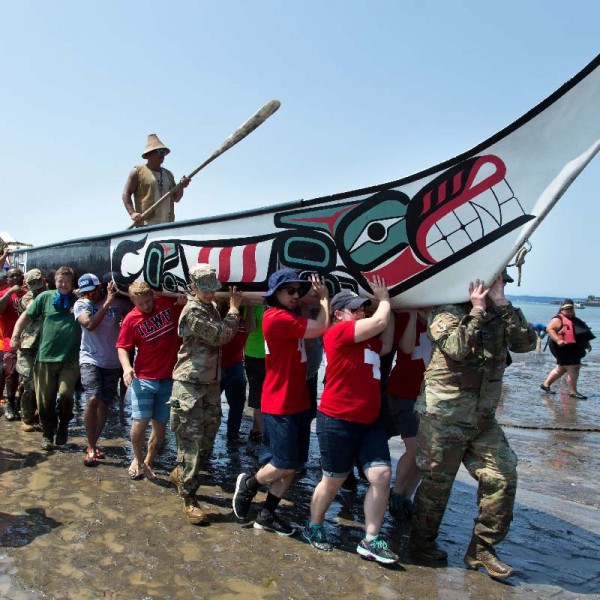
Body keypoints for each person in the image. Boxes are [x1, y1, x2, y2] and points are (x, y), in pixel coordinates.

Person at [410, 271, 536, 580]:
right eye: (495, 281)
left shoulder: (501, 313)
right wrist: (478, 310)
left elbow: (527, 343)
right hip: (444, 416)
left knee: (503, 476)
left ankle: (482, 549)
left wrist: (502, 303)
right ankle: (422, 543)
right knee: (437, 485)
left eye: (503, 283)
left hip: (482, 418)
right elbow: (456, 347)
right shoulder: (445, 311)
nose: (498, 286)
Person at [302, 283, 399, 564]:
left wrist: (393, 309)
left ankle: (370, 540)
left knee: (381, 476)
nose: (360, 312)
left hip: (369, 421)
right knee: (334, 479)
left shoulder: (368, 340)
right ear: (338, 314)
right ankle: (315, 525)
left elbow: (388, 342)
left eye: (362, 308)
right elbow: (380, 320)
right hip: (337, 419)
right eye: (355, 309)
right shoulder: (338, 333)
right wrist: (384, 300)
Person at [232, 268, 329, 536]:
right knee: (284, 463)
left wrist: (309, 298)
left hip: (297, 399)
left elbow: (306, 312)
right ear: (274, 293)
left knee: (292, 464)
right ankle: (250, 483)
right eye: (290, 291)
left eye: (299, 290)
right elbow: (322, 326)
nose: (296, 295)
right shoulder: (275, 318)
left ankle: (267, 514)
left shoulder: (289, 313)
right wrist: (324, 299)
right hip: (280, 402)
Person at [169, 264, 242, 524]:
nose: (212, 294)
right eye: (206, 290)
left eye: (214, 289)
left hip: (210, 383)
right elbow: (220, 335)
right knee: (191, 444)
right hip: (189, 385)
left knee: (208, 439)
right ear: (194, 286)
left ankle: (181, 474)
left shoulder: (209, 306)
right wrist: (234, 309)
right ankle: (189, 499)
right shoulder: (192, 311)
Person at [116, 281, 186, 480]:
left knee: (160, 427)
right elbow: (122, 346)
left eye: (148, 301)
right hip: (143, 378)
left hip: (167, 378)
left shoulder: (166, 303)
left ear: (152, 296)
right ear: (133, 301)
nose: (146, 306)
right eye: (141, 304)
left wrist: (181, 303)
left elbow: (186, 304)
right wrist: (126, 368)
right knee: (140, 422)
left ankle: (148, 461)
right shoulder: (131, 319)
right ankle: (137, 459)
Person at [11, 267, 82, 451]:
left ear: (72, 283)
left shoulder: (80, 300)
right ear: (54, 282)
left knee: (66, 395)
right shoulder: (45, 297)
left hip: (70, 359)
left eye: (67, 281)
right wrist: (15, 335)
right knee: (44, 400)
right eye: (60, 281)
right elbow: (25, 316)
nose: (63, 284)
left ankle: (64, 424)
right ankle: (48, 434)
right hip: (45, 358)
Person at [74, 274, 131, 466]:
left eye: (93, 291)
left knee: (105, 404)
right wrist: (107, 303)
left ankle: (94, 442)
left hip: (112, 361)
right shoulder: (82, 305)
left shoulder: (119, 303)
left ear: (101, 287)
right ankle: (90, 446)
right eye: (86, 292)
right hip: (90, 358)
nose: (90, 295)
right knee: (92, 398)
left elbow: (138, 310)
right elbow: (89, 325)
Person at [386, 309, 432, 521]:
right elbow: (405, 347)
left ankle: (407, 497)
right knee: (414, 448)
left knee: (427, 454)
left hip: (430, 396)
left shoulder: (440, 322)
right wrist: (414, 316)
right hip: (403, 392)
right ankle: (396, 493)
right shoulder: (404, 318)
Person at [122, 134, 190, 227]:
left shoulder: (168, 174)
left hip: (167, 225)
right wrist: (132, 213)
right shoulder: (138, 171)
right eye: (159, 151)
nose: (162, 154)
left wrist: (181, 186)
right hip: (146, 225)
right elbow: (126, 193)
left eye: (163, 152)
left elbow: (176, 198)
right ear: (149, 154)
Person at [540, 299, 594, 399]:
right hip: (561, 347)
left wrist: (587, 344)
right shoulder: (558, 319)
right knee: (574, 367)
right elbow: (549, 329)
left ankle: (545, 385)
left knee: (561, 368)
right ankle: (573, 392)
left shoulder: (575, 320)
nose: (570, 310)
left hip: (572, 348)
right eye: (567, 308)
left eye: (572, 308)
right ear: (562, 309)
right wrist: (558, 340)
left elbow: (581, 334)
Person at [16, 269, 47, 431]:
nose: (36, 288)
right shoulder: (27, 298)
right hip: (28, 346)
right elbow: (32, 308)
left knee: (45, 385)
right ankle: (26, 418)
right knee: (29, 384)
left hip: (47, 346)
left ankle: (41, 417)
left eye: (38, 283)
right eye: (32, 285)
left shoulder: (52, 294)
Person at [220, 304, 253, 445]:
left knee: (238, 404)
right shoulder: (220, 310)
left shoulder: (245, 313)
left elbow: (251, 328)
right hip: (216, 365)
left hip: (236, 364)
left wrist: (250, 305)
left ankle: (233, 436)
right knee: (211, 406)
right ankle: (205, 441)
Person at [0, 268, 26, 421]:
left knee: (28, 377)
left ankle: (23, 405)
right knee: (11, 374)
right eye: (12, 276)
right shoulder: (4, 294)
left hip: (29, 341)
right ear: (7, 280)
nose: (15, 278)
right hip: (10, 341)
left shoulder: (28, 293)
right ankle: (10, 403)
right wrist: (9, 293)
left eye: (18, 275)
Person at [243, 304, 266, 442]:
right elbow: (250, 328)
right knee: (257, 395)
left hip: (272, 355)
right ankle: (260, 432)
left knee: (267, 394)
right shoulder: (253, 304)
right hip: (254, 354)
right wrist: (251, 305)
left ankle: (257, 428)